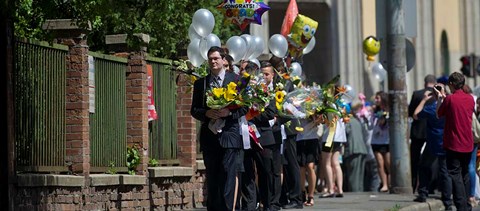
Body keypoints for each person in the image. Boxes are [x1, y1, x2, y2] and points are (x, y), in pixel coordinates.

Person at [190, 46, 248, 211]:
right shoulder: (202, 83)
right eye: (210, 59)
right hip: (210, 137)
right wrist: (207, 113)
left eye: (216, 58)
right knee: (213, 177)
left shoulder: (236, 80)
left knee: (228, 176)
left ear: (224, 60)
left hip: (229, 135)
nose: (213, 61)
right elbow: (194, 110)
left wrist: (227, 112)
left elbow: (244, 108)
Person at [436, 72, 475, 211]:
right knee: (465, 174)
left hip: (454, 144)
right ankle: (468, 204)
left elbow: (438, 114)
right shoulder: (470, 99)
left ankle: (461, 206)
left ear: (451, 84)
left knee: (455, 175)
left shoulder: (450, 99)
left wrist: (440, 98)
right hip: (468, 143)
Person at [412, 88, 452, 210]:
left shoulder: (432, 108)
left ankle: (423, 193)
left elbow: (415, 115)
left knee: (424, 166)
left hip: (433, 142)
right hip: (447, 141)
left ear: (434, 95)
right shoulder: (450, 106)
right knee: (445, 172)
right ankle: (447, 201)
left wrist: (424, 100)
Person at [409, 74, 436, 193]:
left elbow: (411, 113)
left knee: (415, 160)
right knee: (432, 161)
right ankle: (430, 187)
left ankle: (414, 185)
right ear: (434, 83)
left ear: (425, 83)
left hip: (418, 132)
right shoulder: (437, 95)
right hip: (432, 131)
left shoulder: (417, 94)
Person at [344, 104, 369, 192]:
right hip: (362, 149)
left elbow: (345, 133)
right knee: (360, 176)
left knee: (353, 176)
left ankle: (355, 194)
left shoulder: (347, 121)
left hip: (353, 150)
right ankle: (360, 193)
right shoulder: (357, 121)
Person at [320, 117, 347, 198]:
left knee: (327, 164)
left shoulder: (328, 107)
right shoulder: (341, 107)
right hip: (339, 137)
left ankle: (330, 189)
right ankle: (340, 190)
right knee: (336, 163)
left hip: (329, 137)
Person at [371, 91, 390, 193]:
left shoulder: (389, 110)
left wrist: (385, 117)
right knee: (380, 163)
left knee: (388, 163)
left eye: (377, 98)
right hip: (376, 140)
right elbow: (370, 125)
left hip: (387, 140)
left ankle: (391, 182)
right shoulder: (374, 111)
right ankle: (384, 184)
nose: (376, 100)